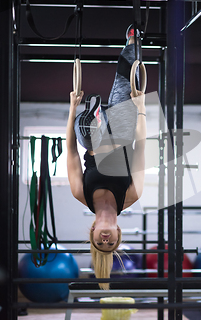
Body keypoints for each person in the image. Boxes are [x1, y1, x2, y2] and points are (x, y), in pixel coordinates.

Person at [66, 26, 146, 290]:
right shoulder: (131, 196)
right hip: (122, 130)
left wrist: (72, 109)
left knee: (88, 138)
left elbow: (71, 152)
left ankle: (92, 116)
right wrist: (142, 107)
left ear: (92, 234)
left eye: (100, 243)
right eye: (110, 242)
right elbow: (142, 147)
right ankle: (132, 38)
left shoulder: (81, 193)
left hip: (89, 136)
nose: (105, 239)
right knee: (126, 76)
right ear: (118, 234)